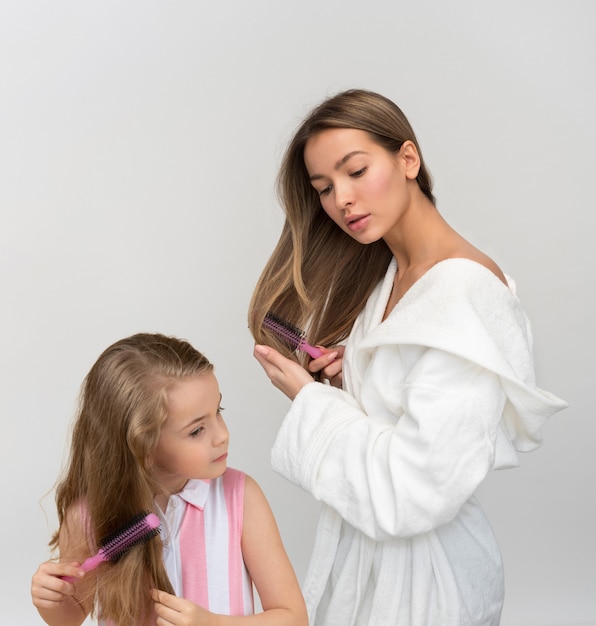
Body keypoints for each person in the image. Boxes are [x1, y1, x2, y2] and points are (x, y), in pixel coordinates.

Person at [248, 89, 567, 626]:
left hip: (431, 591)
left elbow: (418, 488)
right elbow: (408, 409)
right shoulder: (395, 279)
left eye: (356, 171)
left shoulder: (465, 292)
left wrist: (309, 402)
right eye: (324, 188)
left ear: (408, 160)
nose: (341, 199)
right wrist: (358, 374)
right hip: (375, 574)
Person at [31, 333, 308, 626]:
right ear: (142, 446)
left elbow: (293, 618)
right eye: (196, 430)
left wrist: (210, 623)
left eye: (218, 411)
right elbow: (69, 618)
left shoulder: (240, 498)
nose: (222, 434)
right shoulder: (89, 517)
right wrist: (52, 600)